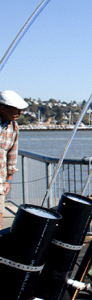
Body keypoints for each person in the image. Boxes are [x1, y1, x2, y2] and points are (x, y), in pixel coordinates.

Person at [0, 90, 28, 228]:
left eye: (21, 109)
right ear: (2, 108)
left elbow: (12, 155)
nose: (20, 112)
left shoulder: (14, 126)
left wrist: (9, 180)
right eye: (16, 109)